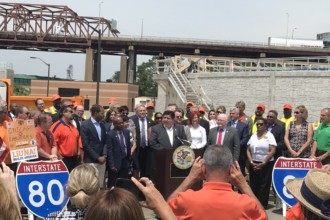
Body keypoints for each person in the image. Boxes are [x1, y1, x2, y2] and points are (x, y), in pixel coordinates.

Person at [167, 145, 267, 220]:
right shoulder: (245, 203)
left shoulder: (187, 199)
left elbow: (165, 209)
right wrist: (244, 185)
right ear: (231, 169)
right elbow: (264, 217)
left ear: (203, 169)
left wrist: (190, 178)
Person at [246, 118, 276, 209]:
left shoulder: (270, 136)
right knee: (254, 183)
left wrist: (263, 162)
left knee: (264, 184)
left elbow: (272, 150)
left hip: (266, 163)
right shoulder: (253, 136)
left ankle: (262, 204)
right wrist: (251, 162)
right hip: (254, 162)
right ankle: (254, 202)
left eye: (261, 124)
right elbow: (248, 150)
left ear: (265, 125)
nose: (259, 126)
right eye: (257, 124)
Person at [81, 104, 107, 187]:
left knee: (99, 185)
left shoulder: (102, 125)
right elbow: (86, 145)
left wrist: (104, 155)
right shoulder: (85, 125)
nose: (104, 115)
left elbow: (105, 142)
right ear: (95, 113)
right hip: (91, 160)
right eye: (102, 113)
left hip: (102, 160)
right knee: (90, 185)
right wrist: (97, 157)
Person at [51, 105, 81, 172]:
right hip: (63, 159)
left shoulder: (73, 126)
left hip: (74, 159)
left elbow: (77, 139)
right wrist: (59, 156)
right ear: (64, 113)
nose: (73, 113)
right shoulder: (57, 125)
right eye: (71, 111)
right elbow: (52, 143)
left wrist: (78, 152)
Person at [106, 116, 131, 188]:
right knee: (113, 183)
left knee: (124, 183)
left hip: (125, 161)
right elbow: (109, 150)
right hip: (115, 163)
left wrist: (129, 160)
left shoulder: (126, 132)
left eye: (122, 123)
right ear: (114, 124)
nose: (121, 125)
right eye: (119, 123)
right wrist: (112, 165)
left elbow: (128, 146)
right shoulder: (110, 134)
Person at [130, 104, 155, 177]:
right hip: (136, 148)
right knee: (136, 168)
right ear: (136, 112)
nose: (142, 112)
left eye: (144, 110)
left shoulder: (150, 121)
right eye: (140, 111)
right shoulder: (132, 120)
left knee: (146, 168)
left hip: (147, 148)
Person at [228, 107, 250, 175]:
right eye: (230, 113)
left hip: (240, 153)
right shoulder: (227, 125)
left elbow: (245, 139)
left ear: (238, 115)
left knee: (239, 171)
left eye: (233, 113)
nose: (231, 115)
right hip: (228, 153)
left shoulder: (244, 126)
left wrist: (235, 146)